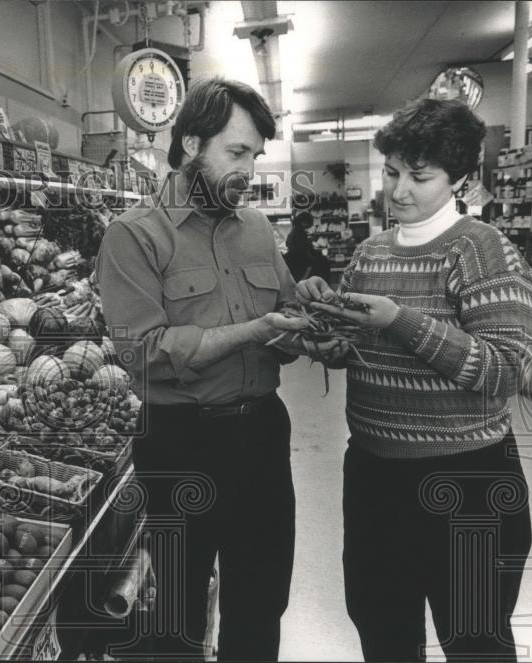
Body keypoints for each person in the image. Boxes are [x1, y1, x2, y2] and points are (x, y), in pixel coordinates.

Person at [94, 77, 339, 661]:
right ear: (190, 146)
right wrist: (251, 332)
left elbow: (282, 320)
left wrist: (310, 319)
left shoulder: (255, 229)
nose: (248, 170)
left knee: (261, 596)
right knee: (178, 605)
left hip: (261, 434)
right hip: (182, 445)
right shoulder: (133, 236)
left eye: (254, 155)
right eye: (236, 153)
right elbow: (144, 353)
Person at [296, 98, 532, 662]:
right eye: (393, 171)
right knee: (384, 633)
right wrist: (328, 340)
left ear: (458, 179)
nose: (399, 190)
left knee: (475, 641)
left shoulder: (483, 253)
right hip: (376, 478)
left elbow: (504, 370)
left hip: (468, 482)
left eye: (419, 176)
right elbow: (361, 351)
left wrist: (400, 321)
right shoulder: (368, 252)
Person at [283, 210, 331, 282]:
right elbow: (305, 250)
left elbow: (289, 244)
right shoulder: (300, 232)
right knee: (323, 262)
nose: (308, 227)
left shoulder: (293, 231)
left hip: (294, 258)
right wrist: (317, 254)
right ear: (303, 222)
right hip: (300, 260)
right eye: (307, 224)